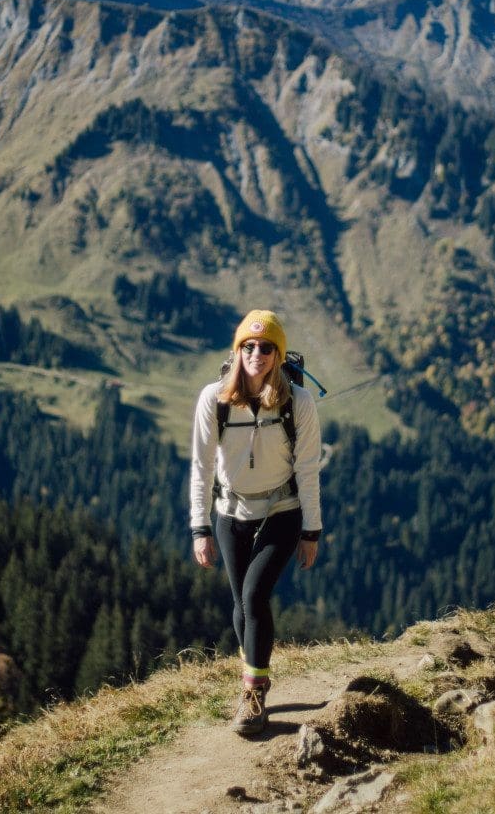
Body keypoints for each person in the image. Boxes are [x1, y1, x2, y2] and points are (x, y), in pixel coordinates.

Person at [189, 309, 322, 736]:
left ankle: (252, 695)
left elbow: (308, 469)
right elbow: (201, 466)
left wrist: (311, 531)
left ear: (279, 355)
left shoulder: (297, 403)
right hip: (230, 514)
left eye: (267, 347)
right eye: (249, 345)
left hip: (282, 512)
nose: (257, 354)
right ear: (237, 350)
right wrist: (200, 527)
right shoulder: (214, 400)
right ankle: (257, 674)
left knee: (254, 595)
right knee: (240, 603)